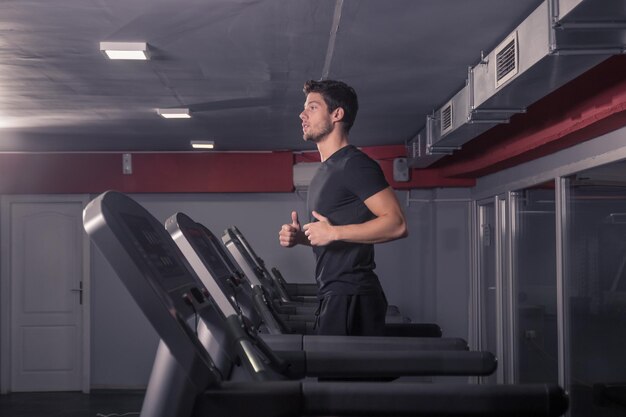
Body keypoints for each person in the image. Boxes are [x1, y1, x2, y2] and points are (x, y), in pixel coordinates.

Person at [278, 79, 408, 336]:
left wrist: (334, 233)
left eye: (313, 107)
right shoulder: (327, 170)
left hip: (352, 296)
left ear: (337, 114)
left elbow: (397, 223)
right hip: (334, 293)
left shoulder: (354, 164)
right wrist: (303, 238)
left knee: (343, 377)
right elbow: (331, 233)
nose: (302, 114)